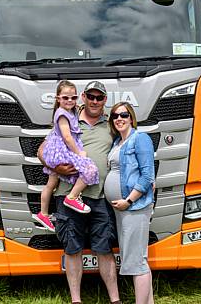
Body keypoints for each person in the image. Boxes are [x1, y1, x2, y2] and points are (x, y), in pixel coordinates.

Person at [38, 81, 120, 304]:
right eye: (90, 97)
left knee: (105, 248)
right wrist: (56, 167)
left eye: (99, 97)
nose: (94, 101)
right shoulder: (68, 119)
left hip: (100, 197)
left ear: (104, 100)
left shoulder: (112, 124)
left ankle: (115, 299)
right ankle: (76, 300)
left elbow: (129, 148)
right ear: (83, 97)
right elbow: (42, 151)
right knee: (72, 249)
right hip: (67, 195)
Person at [105, 102, 155, 304]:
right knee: (137, 257)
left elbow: (147, 176)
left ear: (131, 118)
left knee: (136, 260)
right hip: (123, 210)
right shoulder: (117, 142)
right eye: (115, 116)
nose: (119, 118)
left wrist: (128, 200)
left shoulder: (140, 139)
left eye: (124, 115)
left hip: (134, 207)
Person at [33, 80, 99, 231]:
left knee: (51, 184)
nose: (70, 101)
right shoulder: (62, 114)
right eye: (65, 98)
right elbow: (67, 137)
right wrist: (79, 153)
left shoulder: (70, 112)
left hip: (55, 150)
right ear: (57, 99)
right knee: (90, 169)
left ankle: (43, 214)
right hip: (62, 151)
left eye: (73, 98)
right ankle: (72, 197)